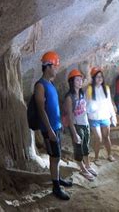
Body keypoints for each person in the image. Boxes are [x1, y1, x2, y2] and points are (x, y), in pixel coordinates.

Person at [34, 51, 72, 200]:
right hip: (48, 129)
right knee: (54, 156)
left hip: (55, 127)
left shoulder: (50, 84)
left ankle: (58, 179)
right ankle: (56, 187)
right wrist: (49, 129)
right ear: (48, 66)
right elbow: (40, 109)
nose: (56, 69)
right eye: (55, 66)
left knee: (58, 156)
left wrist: (59, 124)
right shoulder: (40, 85)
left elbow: (53, 107)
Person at [64, 69, 97, 181]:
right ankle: (83, 169)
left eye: (80, 79)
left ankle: (87, 165)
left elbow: (84, 109)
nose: (80, 82)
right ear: (72, 82)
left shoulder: (82, 93)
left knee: (86, 146)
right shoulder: (69, 97)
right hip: (77, 125)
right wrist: (74, 133)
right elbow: (69, 116)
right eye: (77, 80)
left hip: (85, 123)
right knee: (78, 148)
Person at [86, 67, 117, 162]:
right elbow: (86, 104)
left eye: (101, 77)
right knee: (98, 138)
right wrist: (89, 111)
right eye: (97, 77)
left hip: (105, 116)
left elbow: (109, 103)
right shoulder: (90, 89)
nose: (100, 79)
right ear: (93, 78)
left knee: (106, 137)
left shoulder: (106, 88)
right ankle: (96, 157)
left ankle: (109, 155)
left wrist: (113, 116)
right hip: (94, 118)